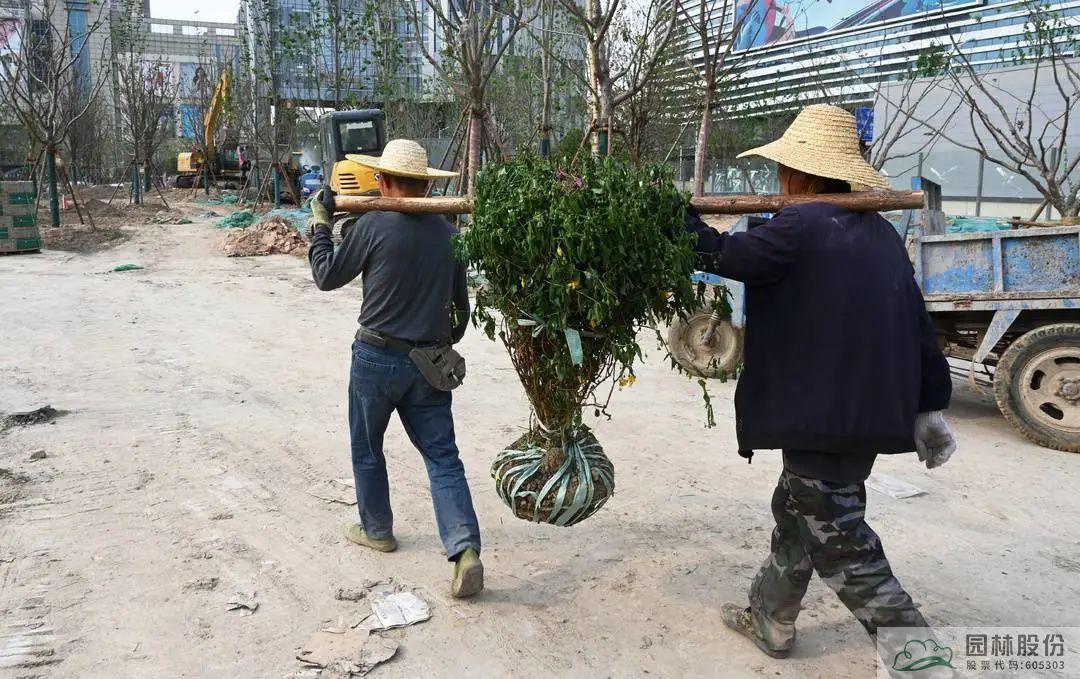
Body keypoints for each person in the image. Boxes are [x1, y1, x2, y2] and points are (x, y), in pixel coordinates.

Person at [682, 104, 957, 657]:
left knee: (841, 542)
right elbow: (917, 322)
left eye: (785, 170)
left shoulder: (802, 226)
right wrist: (931, 403)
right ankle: (770, 619)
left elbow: (719, 251)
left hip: (821, 414)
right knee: (797, 515)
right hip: (866, 415)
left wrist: (670, 216)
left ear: (802, 174)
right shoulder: (878, 232)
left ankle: (920, 658)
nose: (780, 179)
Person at [307, 139, 484, 598]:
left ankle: (378, 530)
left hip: (374, 359)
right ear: (425, 186)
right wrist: (437, 342)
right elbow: (460, 316)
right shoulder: (448, 234)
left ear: (382, 182)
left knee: (367, 449)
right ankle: (464, 549)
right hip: (429, 363)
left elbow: (326, 276)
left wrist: (321, 225)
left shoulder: (372, 225)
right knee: (444, 458)